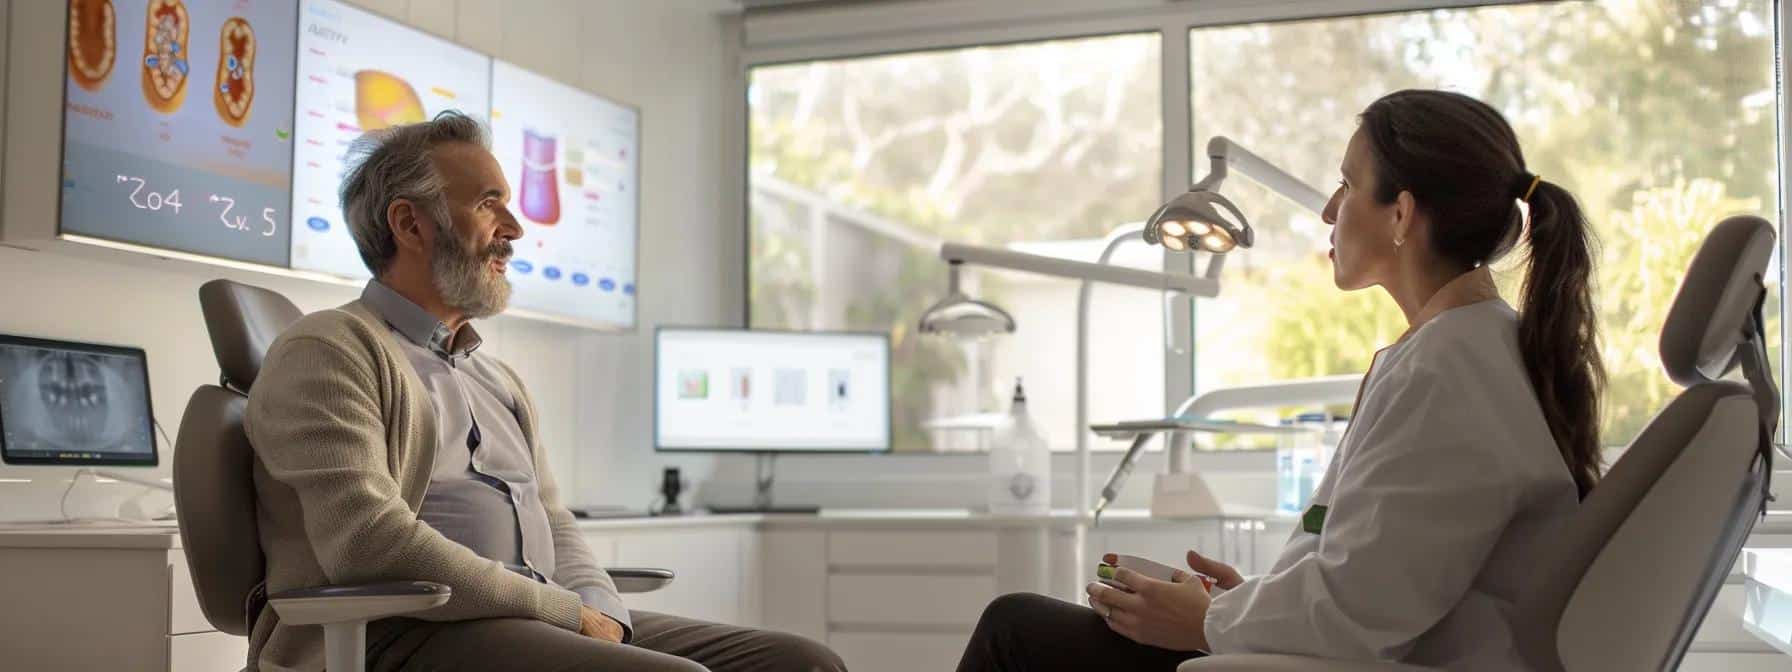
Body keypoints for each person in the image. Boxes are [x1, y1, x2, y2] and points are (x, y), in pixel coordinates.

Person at [956, 89, 1605, 671]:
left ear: (1401, 216)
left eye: (1348, 185)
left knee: (1014, 631)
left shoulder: (1447, 372)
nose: (1328, 210)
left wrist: (1207, 622)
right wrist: (1247, 604)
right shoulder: (1476, 348)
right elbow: (1379, 577)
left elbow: (1360, 612)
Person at [244, 111, 846, 672]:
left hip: (527, 618)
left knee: (801, 663)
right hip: (399, 630)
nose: (515, 229)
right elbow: (369, 543)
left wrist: (598, 605)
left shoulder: (496, 378)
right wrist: (562, 610)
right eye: (488, 204)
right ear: (409, 224)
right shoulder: (329, 349)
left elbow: (553, 521)